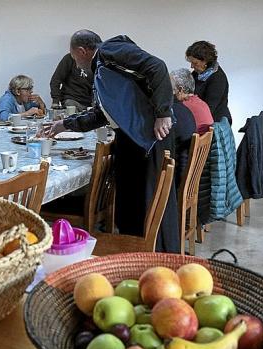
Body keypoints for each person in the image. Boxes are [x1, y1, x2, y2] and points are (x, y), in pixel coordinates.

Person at [45, 30, 179, 252]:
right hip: (131, 140)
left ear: (82, 51)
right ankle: (133, 252)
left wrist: (163, 113)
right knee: (130, 204)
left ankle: (156, 255)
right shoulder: (101, 71)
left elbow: (158, 66)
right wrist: (63, 125)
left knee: (149, 205)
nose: (77, 64)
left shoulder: (110, 51)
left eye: (75, 58)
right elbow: (99, 115)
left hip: (149, 139)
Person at [186, 41, 232, 125]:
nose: (192, 66)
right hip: (204, 118)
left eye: (195, 63)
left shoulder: (217, 78)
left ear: (205, 61)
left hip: (215, 123)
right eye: (191, 63)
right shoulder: (197, 73)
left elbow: (208, 109)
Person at [169, 69, 198, 185]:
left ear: (179, 90)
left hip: (175, 180)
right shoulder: (186, 111)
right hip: (187, 175)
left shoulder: (172, 112)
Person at [171, 68, 213, 135]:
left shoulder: (183, 108)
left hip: (188, 144)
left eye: (171, 88)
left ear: (180, 90)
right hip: (201, 143)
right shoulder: (202, 103)